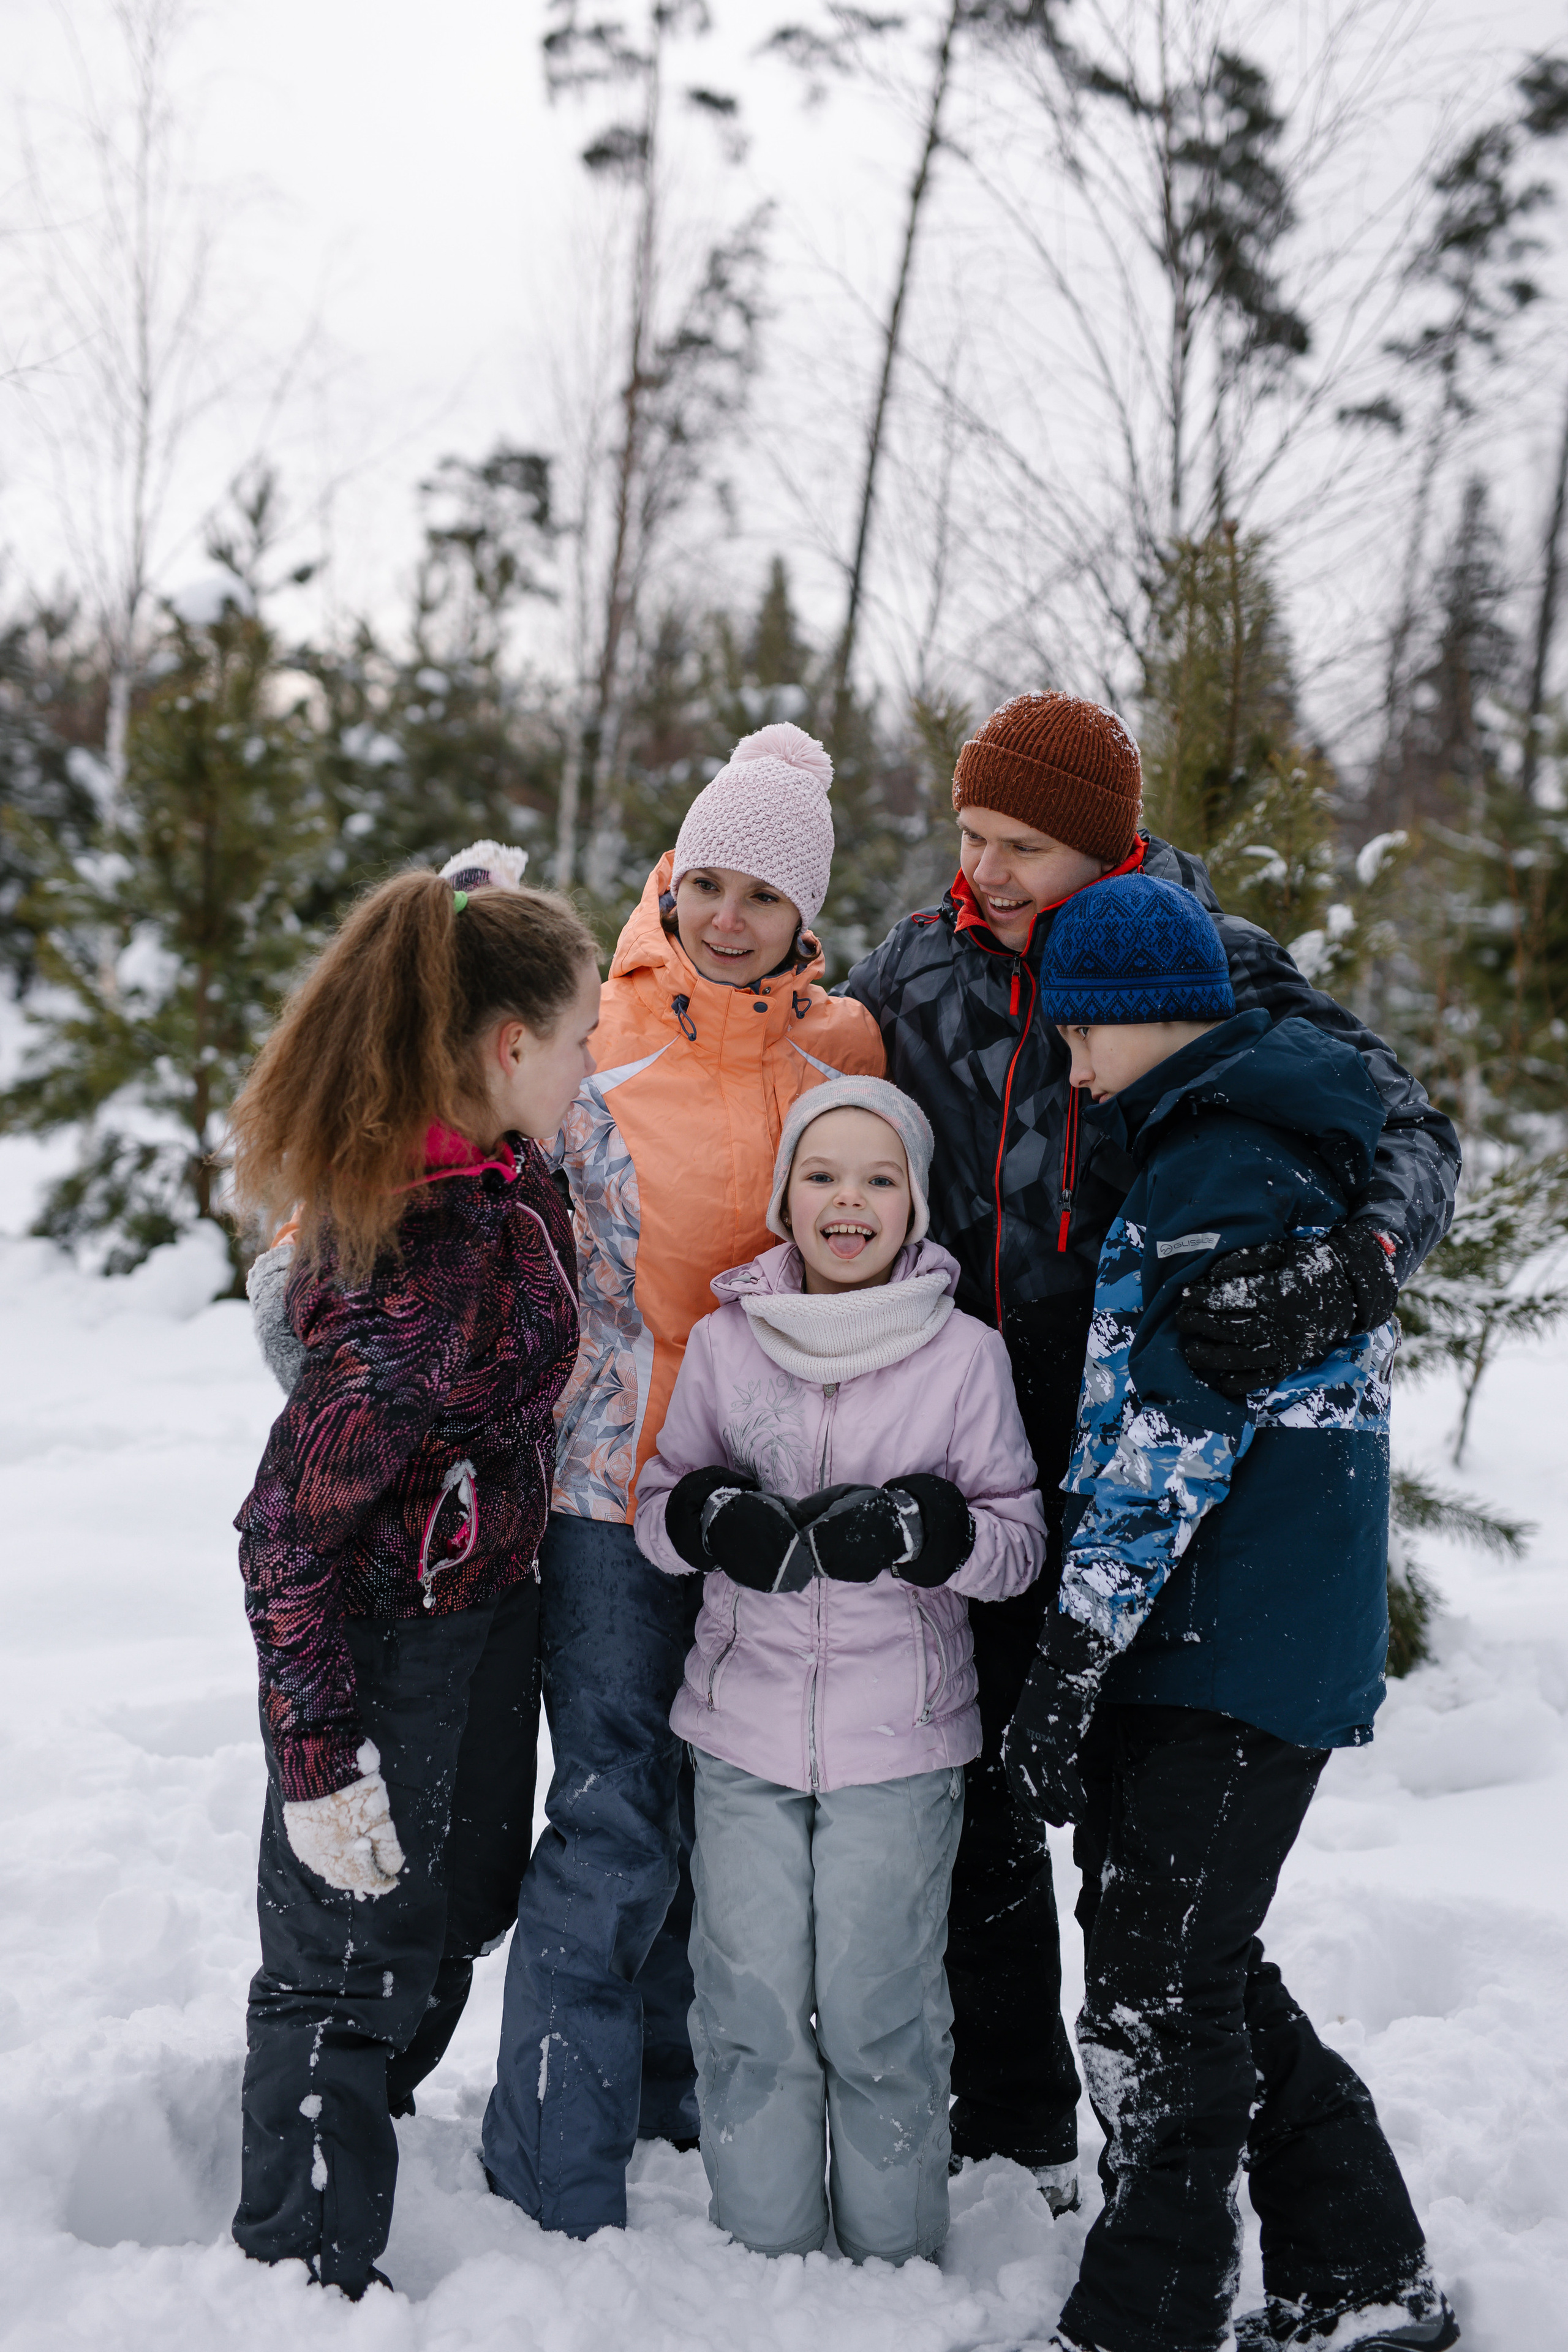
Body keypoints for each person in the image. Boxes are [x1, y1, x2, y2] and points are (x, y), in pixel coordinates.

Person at [840, 692, 1461, 2206]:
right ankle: (1012, 2133)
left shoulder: (1201, 958)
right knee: (974, 1790)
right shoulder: (915, 966)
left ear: (1107, 844)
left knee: (1132, 1860)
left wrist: (1364, 1254)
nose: (982, 869)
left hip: (1147, 1435)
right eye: (970, 833)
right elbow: (802, 1108)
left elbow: (1403, 1124)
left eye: (1023, 846)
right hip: (969, 1424)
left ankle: (1175, 2172)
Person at [1001, 873, 1460, 2352]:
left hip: (1219, 1647)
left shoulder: (1218, 1165)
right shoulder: (1255, 1139)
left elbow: (1159, 1459)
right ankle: (1356, 2276)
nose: (1070, 1069)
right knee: (1199, 1962)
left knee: (1152, 1993)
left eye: (1081, 1037)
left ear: (1149, 1012)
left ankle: (1148, 2318)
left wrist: (1066, 1666)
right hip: (1247, 1644)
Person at [482, 725, 884, 2237]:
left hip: (766, 1515)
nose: (728, 917)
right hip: (607, 1498)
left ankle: (664, 2104)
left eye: (761, 896)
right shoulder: (591, 1030)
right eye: (705, 881)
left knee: (725, 1825)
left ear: (804, 918)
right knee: (610, 1818)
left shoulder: (840, 1056)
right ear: (669, 879)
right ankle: (550, 2172)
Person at [225, 867, 600, 2297]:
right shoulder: (418, 1272)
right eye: (572, 1037)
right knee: (346, 1964)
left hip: (481, 1616)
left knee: (441, 1925)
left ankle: (355, 2144)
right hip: (384, 1649)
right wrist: (322, 1768)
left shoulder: (498, 1177)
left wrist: (462, 926)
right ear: (508, 1052)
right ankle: (298, 2269)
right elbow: (285, 1539)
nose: (590, 1064)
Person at [634, 1076, 1047, 2264]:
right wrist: (712, 1516)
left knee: (877, 2014)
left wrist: (929, 1530)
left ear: (913, 1204)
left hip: (897, 1743)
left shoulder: (960, 1357)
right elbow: (659, 1509)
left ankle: (890, 2262)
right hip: (739, 1734)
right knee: (750, 2006)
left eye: (877, 1178)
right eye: (820, 1175)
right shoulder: (726, 1342)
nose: (846, 1201)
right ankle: (765, 2258)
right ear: (784, 1197)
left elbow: (1015, 1545)